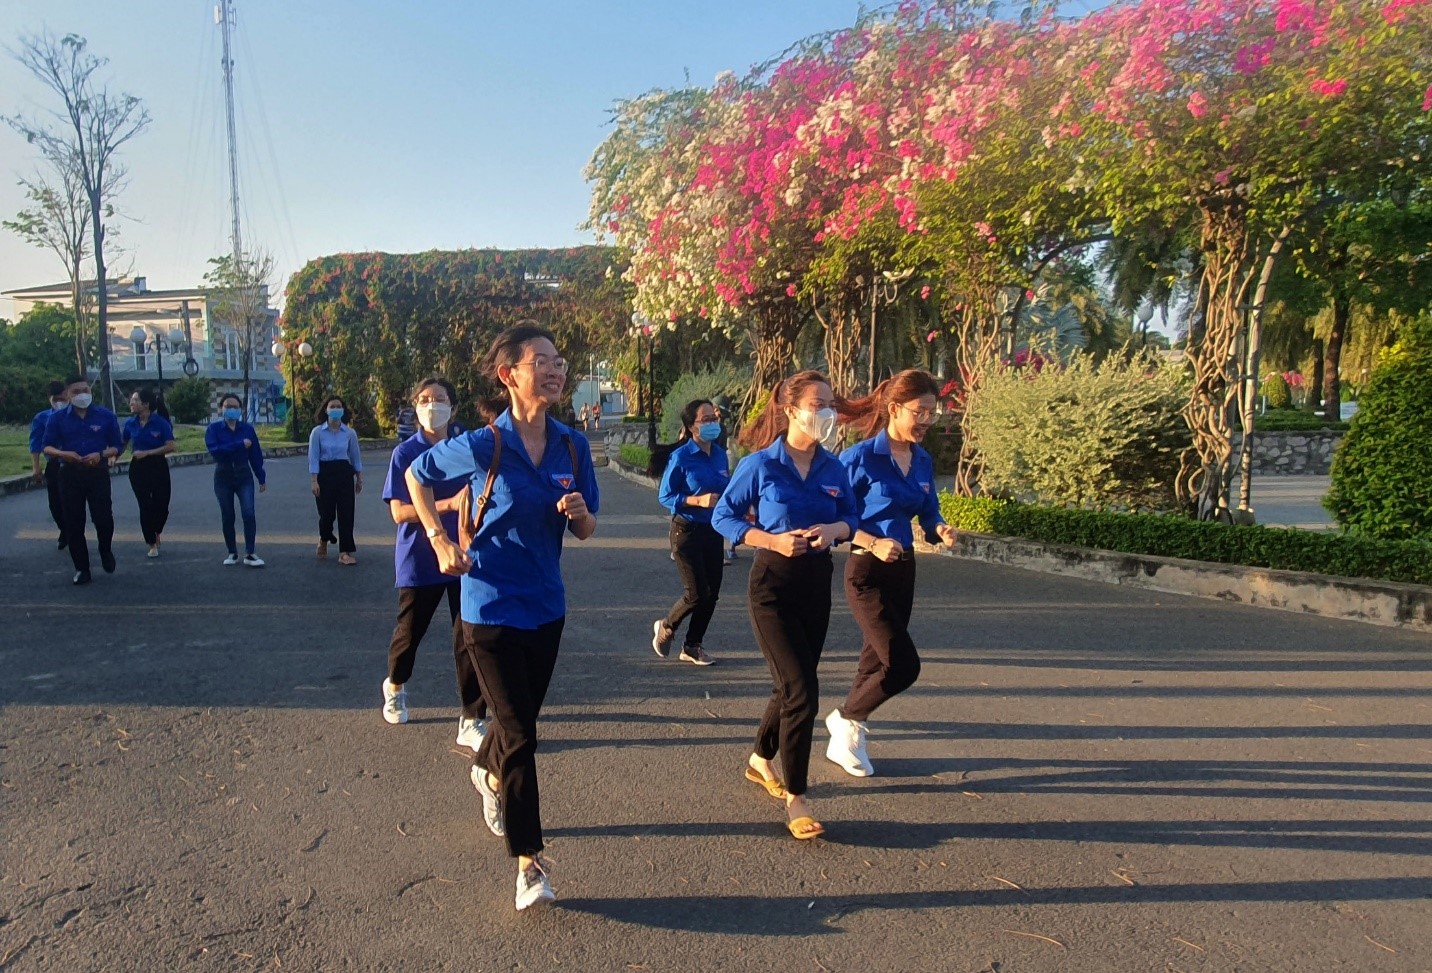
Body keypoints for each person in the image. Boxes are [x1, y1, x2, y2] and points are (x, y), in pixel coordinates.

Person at [407, 323, 599, 912]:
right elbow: (417, 477)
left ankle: (488, 773)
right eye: (541, 360)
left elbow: (587, 528)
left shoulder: (572, 446)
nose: (555, 369)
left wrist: (578, 511)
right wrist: (439, 539)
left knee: (519, 726)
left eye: (559, 360)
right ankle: (529, 864)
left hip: (546, 607)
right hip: (488, 607)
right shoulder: (483, 444)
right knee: (519, 733)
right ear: (508, 374)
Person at [711, 370, 855, 841]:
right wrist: (770, 540)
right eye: (818, 404)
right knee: (802, 692)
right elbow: (723, 516)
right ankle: (797, 795)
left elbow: (852, 517)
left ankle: (760, 759)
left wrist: (835, 531)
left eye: (831, 404)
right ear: (791, 410)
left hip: (816, 585)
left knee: (792, 685)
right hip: (772, 586)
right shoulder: (760, 465)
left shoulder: (834, 468)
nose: (827, 413)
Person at [825, 370, 957, 778]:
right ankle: (845, 717)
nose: (926, 421)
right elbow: (835, 516)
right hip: (866, 571)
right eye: (920, 412)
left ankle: (848, 738)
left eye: (933, 413)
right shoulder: (859, 458)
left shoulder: (922, 460)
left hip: (904, 570)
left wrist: (939, 529)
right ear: (895, 408)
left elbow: (928, 510)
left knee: (875, 659)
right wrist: (871, 541)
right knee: (902, 664)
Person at [380, 376, 488, 749]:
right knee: (410, 633)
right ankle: (395, 686)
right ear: (415, 407)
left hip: (464, 555)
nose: (431, 405)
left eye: (439, 399)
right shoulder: (405, 453)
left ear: (453, 409)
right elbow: (398, 512)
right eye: (424, 399)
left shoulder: (465, 449)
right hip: (420, 558)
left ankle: (472, 718)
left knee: (469, 636)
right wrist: (448, 505)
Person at [650, 399, 728, 666]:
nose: (712, 423)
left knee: (712, 593)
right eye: (706, 420)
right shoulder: (681, 457)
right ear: (692, 426)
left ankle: (693, 646)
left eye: (714, 418)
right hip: (686, 531)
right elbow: (665, 495)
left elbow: (727, 489)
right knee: (696, 593)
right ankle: (667, 626)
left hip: (712, 530)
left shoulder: (720, 455)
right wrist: (697, 500)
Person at [42, 377, 122, 585]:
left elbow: (117, 445)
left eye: (85, 390)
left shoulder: (105, 416)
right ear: (68, 395)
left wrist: (101, 454)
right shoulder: (57, 418)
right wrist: (64, 454)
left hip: (97, 472)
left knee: (103, 518)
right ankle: (82, 568)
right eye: (76, 391)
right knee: (73, 522)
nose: (82, 395)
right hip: (69, 473)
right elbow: (47, 446)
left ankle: (105, 549)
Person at [205, 393, 267, 567]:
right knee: (228, 514)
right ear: (221, 409)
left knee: (248, 513)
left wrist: (261, 477)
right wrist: (239, 445)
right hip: (223, 475)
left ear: (240, 409)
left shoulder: (247, 429)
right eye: (228, 406)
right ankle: (232, 552)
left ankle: (250, 552)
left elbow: (255, 454)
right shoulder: (214, 430)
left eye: (235, 407)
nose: (231, 409)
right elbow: (216, 451)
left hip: (243, 474)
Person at [121, 388, 177, 558]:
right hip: (138, 468)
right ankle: (151, 542)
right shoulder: (130, 423)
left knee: (162, 505)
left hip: (158, 466)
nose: (131, 403)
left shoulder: (161, 423)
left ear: (145, 404)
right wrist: (111, 456)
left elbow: (170, 446)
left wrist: (148, 453)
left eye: (135, 400)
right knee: (145, 505)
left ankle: (157, 530)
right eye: (131, 400)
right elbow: (122, 444)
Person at [308, 397, 363, 565]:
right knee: (326, 514)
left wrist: (359, 478)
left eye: (339, 406)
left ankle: (345, 552)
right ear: (326, 410)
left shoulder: (349, 433)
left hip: (344, 473)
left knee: (346, 513)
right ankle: (324, 538)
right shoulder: (317, 432)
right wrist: (314, 480)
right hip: (324, 474)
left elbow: (355, 456)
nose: (336, 409)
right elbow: (313, 457)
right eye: (332, 406)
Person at [28, 381, 68, 550]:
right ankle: (64, 529)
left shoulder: (74, 415)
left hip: (73, 463)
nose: (59, 402)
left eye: (62, 398)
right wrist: (36, 467)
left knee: (71, 501)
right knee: (55, 503)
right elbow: (35, 443)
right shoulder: (42, 418)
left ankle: (73, 532)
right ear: (49, 399)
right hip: (54, 464)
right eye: (55, 399)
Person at [711, 395, 739, 563]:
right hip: (704, 472)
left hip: (718, 471)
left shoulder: (721, 429)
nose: (718, 416)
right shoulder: (699, 428)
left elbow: (721, 453)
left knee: (720, 510)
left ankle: (720, 552)